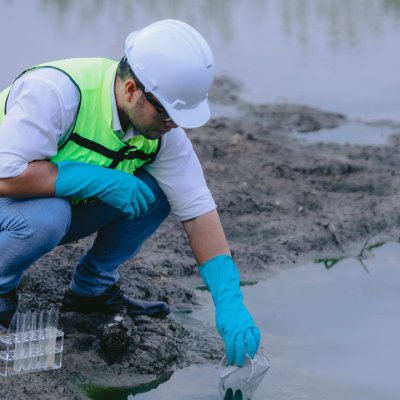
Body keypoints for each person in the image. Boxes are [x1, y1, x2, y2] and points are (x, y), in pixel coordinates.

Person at [0, 19, 260, 367]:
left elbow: (197, 211)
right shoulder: (57, 92)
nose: (174, 124)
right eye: (167, 111)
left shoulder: (161, 133)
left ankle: (91, 291)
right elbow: (6, 176)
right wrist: (94, 178)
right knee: (50, 217)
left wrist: (230, 300)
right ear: (131, 90)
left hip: (38, 206)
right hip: (14, 200)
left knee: (157, 191)